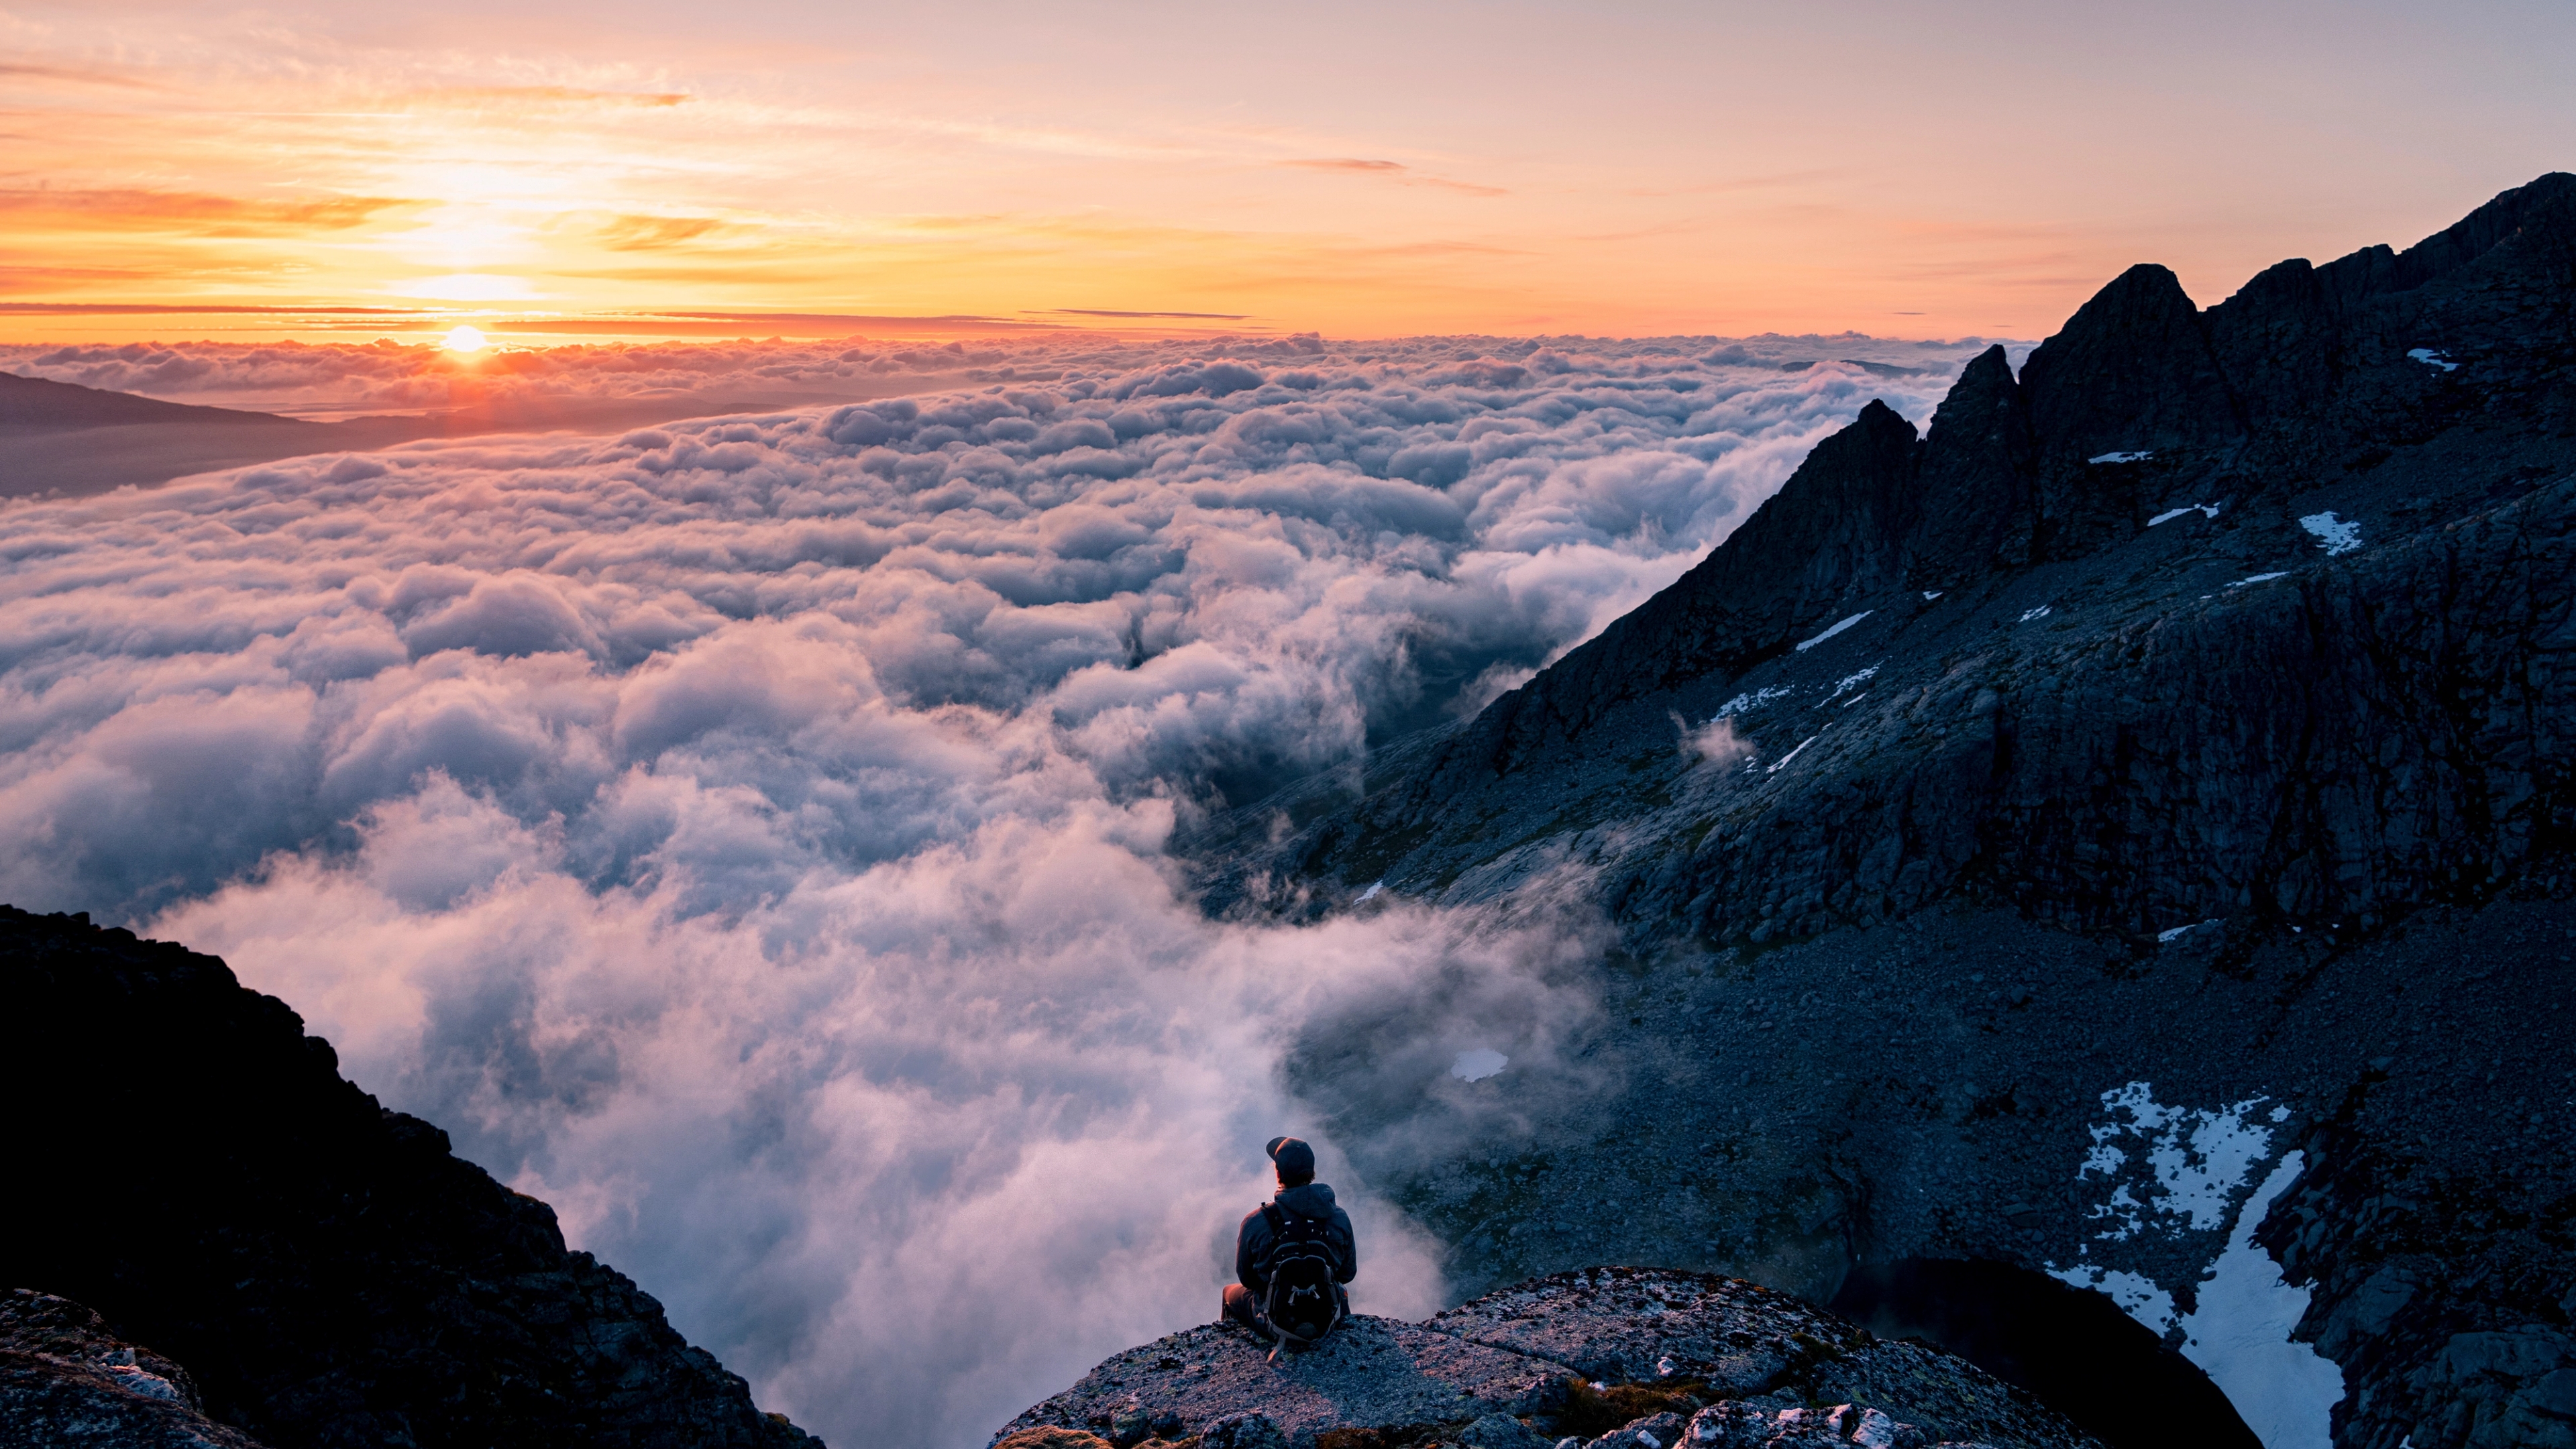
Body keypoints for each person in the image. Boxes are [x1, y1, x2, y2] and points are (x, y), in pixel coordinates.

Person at [1222, 1136, 1356, 1349]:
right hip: (1326, 1318)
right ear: (1312, 1173)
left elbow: (1247, 1279)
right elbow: (1347, 1274)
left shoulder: (1255, 1221)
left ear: (1278, 1173)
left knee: (1229, 1292)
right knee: (1339, 1290)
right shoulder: (1338, 1216)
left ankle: (1232, 1355)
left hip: (1276, 1321)